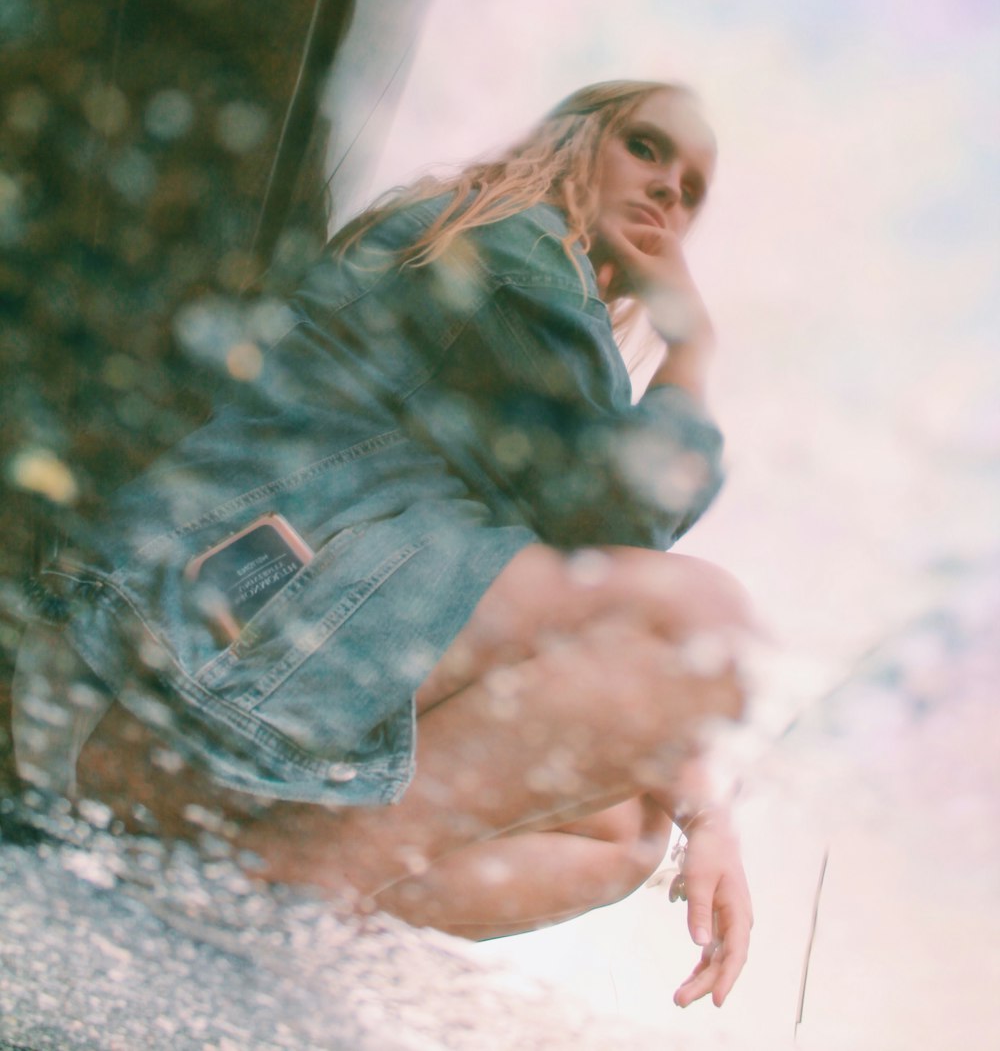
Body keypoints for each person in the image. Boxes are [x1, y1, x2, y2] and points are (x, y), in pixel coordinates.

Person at [14, 79, 754, 1010]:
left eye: (690, 189)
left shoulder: (521, 322)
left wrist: (707, 815)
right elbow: (627, 521)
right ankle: (295, 889)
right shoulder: (507, 242)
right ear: (578, 141)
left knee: (628, 834)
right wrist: (689, 345)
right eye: (646, 147)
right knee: (701, 617)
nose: (666, 193)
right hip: (164, 674)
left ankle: (281, 886)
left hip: (195, 713)